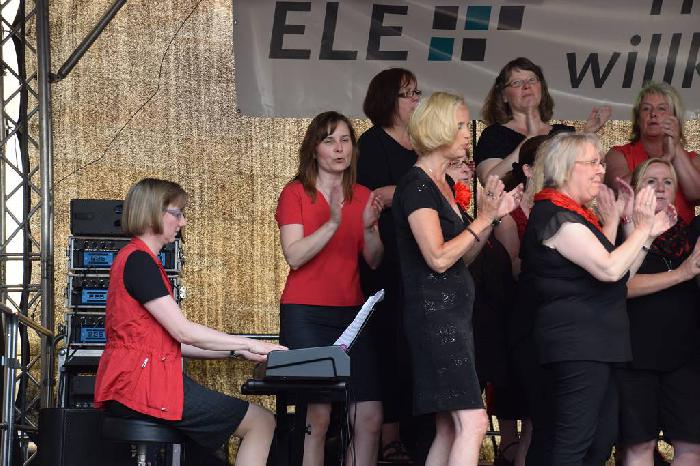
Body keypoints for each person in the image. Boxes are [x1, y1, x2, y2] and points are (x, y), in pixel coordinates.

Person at [93, 178, 286, 466]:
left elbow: (174, 344)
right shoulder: (139, 262)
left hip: (131, 384)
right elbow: (184, 332)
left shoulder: (135, 259)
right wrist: (252, 343)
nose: (182, 222)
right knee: (261, 422)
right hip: (142, 386)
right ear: (154, 212)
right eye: (177, 213)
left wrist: (237, 352)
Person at [520, 132, 675, 466]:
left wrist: (646, 237)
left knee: (600, 440)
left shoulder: (578, 217)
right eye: (592, 162)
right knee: (573, 442)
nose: (600, 170)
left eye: (601, 162)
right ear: (565, 168)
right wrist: (640, 229)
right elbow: (608, 269)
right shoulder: (554, 215)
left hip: (598, 345)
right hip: (577, 345)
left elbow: (619, 275)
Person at [393, 91, 522, 466]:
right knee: (474, 421)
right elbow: (437, 257)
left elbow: (461, 257)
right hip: (435, 321)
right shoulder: (417, 185)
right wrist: (483, 219)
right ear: (437, 128)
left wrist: (492, 217)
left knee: (450, 428)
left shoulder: (441, 184)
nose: (468, 133)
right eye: (461, 125)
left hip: (453, 317)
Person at [275, 111, 384, 466]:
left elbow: (374, 260)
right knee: (317, 417)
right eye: (329, 140)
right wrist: (333, 223)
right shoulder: (294, 193)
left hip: (353, 314)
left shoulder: (363, 195)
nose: (339, 148)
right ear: (314, 149)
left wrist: (369, 229)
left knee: (368, 416)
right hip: (305, 314)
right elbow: (294, 256)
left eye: (345, 140)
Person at [615, 159, 700, 466]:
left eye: (667, 182)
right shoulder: (621, 232)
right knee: (640, 446)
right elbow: (620, 286)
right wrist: (681, 274)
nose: (661, 188)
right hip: (636, 356)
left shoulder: (689, 234)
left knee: (692, 446)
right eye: (651, 181)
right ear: (636, 188)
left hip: (685, 354)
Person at [356, 68, 420, 462]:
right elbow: (376, 196)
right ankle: (389, 436)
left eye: (416, 92)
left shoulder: (423, 144)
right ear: (387, 100)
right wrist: (422, 189)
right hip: (385, 259)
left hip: (421, 257)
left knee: (415, 346)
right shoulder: (372, 142)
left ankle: (417, 434)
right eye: (407, 93)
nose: (415, 100)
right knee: (389, 345)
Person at [475, 56, 610, 184]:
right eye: (516, 83)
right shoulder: (494, 135)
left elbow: (579, 176)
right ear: (504, 96)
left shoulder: (563, 132)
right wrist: (530, 139)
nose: (526, 86)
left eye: (532, 80)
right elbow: (489, 181)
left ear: (541, 88)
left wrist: (586, 134)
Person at [605, 81, 700, 226]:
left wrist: (675, 146)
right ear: (638, 119)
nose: (653, 114)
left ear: (675, 118)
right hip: (634, 235)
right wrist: (665, 158)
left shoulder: (693, 158)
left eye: (661, 109)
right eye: (646, 109)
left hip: (684, 238)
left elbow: (697, 195)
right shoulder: (618, 154)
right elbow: (620, 192)